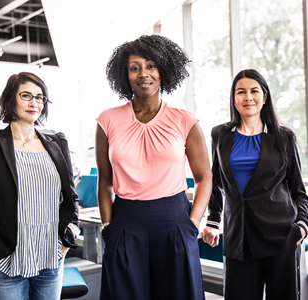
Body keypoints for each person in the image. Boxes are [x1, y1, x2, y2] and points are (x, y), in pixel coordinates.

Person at [96, 34, 212, 300]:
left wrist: (192, 224)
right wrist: (107, 227)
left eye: (151, 66)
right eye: (134, 67)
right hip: (125, 220)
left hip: (174, 219)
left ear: (164, 70)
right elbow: (105, 181)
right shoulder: (107, 120)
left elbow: (205, 178)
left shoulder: (185, 121)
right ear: (125, 75)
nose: (143, 74)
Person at [202, 69, 308, 300]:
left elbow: (298, 191)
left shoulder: (283, 137)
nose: (248, 97)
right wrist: (212, 220)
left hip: (280, 237)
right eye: (241, 92)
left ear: (265, 97)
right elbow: (216, 181)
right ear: (234, 98)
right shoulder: (220, 134)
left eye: (254, 91)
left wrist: (302, 225)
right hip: (238, 240)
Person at [0, 72, 80, 300]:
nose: (34, 103)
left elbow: (71, 197)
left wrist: (67, 239)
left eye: (40, 97)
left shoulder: (57, 142)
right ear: (10, 98)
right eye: (26, 95)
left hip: (51, 254)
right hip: (7, 256)